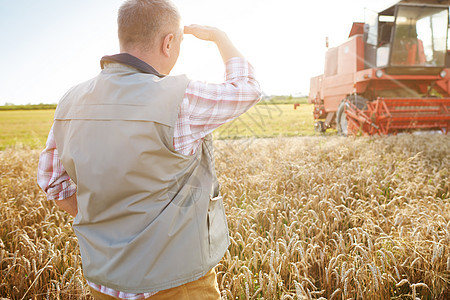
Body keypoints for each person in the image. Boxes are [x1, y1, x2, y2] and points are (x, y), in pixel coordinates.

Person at [37, 0, 261, 299]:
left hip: (103, 282)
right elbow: (248, 88)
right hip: (177, 285)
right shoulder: (182, 98)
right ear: (168, 43)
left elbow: (52, 182)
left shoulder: (71, 101)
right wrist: (220, 37)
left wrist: (109, 222)